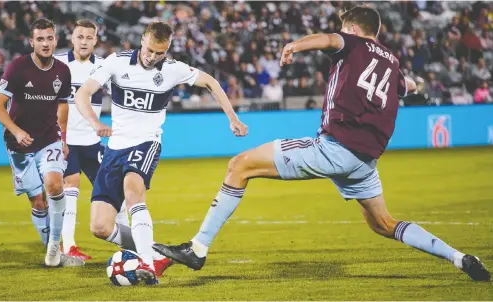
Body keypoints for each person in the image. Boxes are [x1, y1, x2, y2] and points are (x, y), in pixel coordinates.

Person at [152, 6, 490, 282]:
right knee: (384, 224)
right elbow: (407, 86)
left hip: (335, 147)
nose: (341, 32)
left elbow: (329, 39)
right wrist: (419, 88)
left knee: (239, 166)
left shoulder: (352, 44)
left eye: (344, 27)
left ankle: (197, 248)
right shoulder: (391, 62)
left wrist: (295, 46)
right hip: (365, 161)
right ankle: (459, 258)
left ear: (354, 30)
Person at [74, 21, 248, 284]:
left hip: (147, 142)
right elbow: (82, 94)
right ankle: (153, 251)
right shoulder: (117, 62)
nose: (153, 57)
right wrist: (96, 123)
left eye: (160, 53)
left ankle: (146, 264)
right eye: (150, 50)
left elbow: (211, 82)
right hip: (115, 148)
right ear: (143, 39)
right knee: (100, 227)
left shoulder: (172, 69)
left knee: (134, 191)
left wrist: (232, 118)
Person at [0, 18, 82, 267]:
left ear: (55, 40)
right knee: (38, 202)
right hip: (18, 144)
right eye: (40, 39)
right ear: (32, 42)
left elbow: (63, 105)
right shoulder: (18, 68)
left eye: (49, 38)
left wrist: (63, 138)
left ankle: (55, 248)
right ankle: (50, 248)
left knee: (54, 185)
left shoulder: (63, 71)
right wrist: (17, 131)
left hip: (48, 140)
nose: (45, 43)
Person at [54, 19, 131, 261]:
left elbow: (120, 94)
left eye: (89, 37)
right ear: (72, 38)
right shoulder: (58, 63)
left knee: (115, 190)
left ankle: (128, 245)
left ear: (95, 41)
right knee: (72, 187)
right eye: (80, 36)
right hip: (66, 141)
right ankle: (69, 246)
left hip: (92, 141)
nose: (84, 41)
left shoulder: (103, 67)